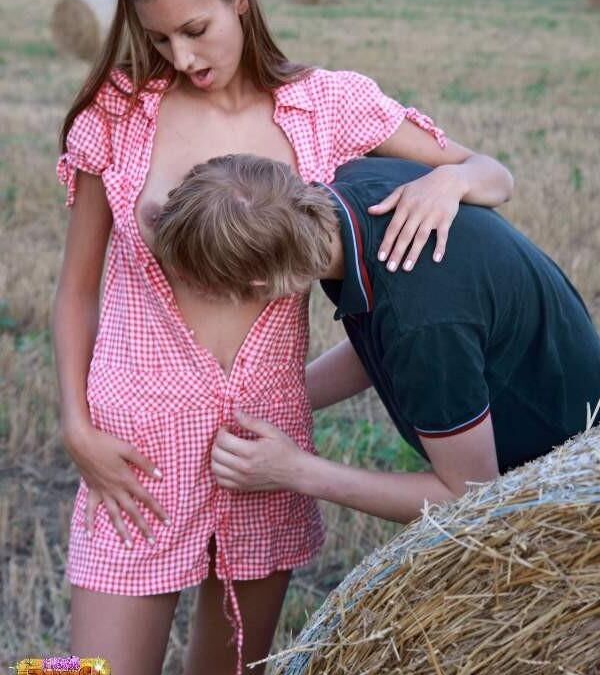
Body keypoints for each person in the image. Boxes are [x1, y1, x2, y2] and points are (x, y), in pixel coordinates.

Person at [52, 0, 513, 675]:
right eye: (159, 40)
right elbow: (77, 289)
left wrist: (451, 180)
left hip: (262, 455)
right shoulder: (118, 116)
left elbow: (492, 171)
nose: (180, 57)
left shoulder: (325, 106)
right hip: (134, 454)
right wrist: (76, 428)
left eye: (194, 29)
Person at [153, 153, 600, 525]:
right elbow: (380, 346)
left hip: (567, 476)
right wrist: (280, 398)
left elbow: (468, 495)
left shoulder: (423, 325)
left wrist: (295, 470)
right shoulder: (351, 192)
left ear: (256, 284)